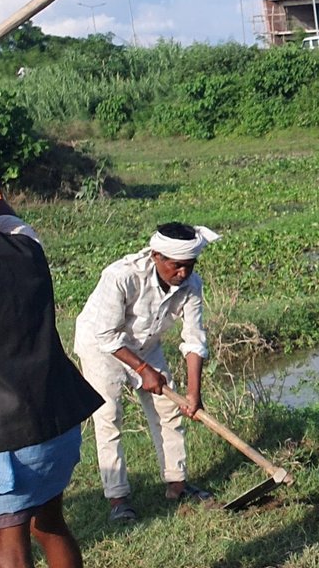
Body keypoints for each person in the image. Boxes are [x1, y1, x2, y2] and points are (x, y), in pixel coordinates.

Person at [0, 161, 107, 568]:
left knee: (7, 564)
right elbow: (3, 207)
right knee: (48, 521)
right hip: (53, 425)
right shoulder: (24, 245)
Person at [74, 223, 218, 523]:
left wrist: (193, 394)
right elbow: (107, 335)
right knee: (109, 417)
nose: (183, 273)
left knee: (170, 410)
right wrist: (143, 370)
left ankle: (177, 484)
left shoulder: (191, 285)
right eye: (177, 266)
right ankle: (118, 499)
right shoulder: (121, 276)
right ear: (156, 256)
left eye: (189, 266)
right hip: (101, 346)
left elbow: (194, 339)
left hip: (146, 344)